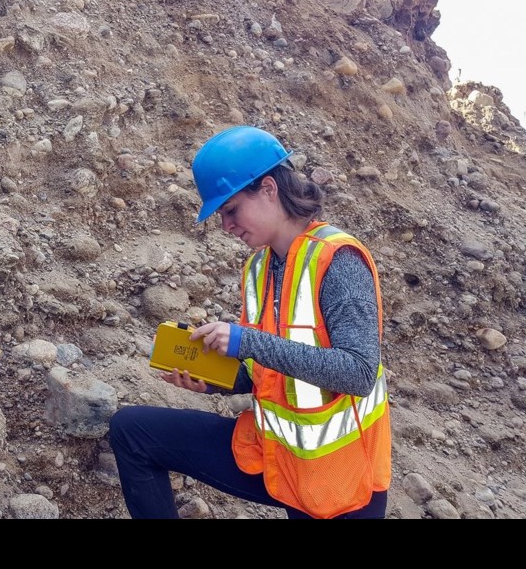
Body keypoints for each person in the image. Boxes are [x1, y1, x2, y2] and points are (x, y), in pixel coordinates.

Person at [108, 126, 392, 519]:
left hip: (338, 484)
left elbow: (358, 373)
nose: (226, 226)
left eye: (231, 210)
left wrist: (247, 341)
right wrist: (214, 380)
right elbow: (272, 374)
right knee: (132, 431)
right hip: (273, 456)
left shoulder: (337, 260)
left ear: (270, 189)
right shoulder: (260, 267)